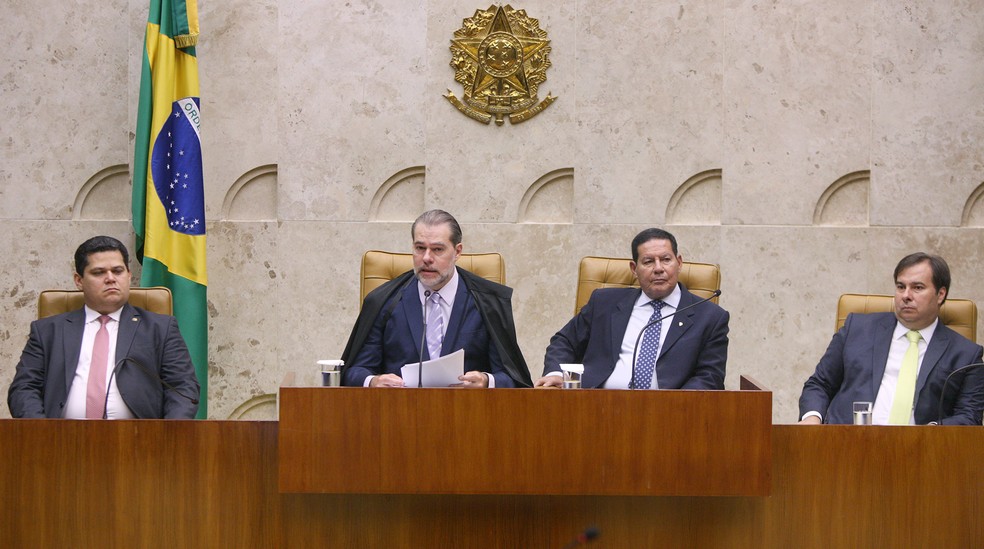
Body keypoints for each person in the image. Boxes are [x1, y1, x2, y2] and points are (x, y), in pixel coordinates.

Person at [7, 236, 199, 419]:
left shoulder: (160, 329)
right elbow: (24, 389)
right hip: (62, 438)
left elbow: (182, 387)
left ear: (129, 276)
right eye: (99, 272)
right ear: (79, 281)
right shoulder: (47, 331)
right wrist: (43, 434)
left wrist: (166, 435)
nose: (110, 278)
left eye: (118, 271)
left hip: (139, 438)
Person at [341, 210, 532, 388]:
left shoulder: (487, 301)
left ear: (457, 251)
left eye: (437, 249)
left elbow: (513, 378)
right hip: (401, 408)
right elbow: (354, 371)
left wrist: (486, 381)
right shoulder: (383, 300)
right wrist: (373, 381)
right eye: (420, 248)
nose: (426, 258)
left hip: (468, 409)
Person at [798, 253, 984, 425]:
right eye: (901, 287)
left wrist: (931, 433)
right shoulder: (857, 329)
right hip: (847, 441)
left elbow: (970, 416)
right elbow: (820, 384)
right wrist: (812, 419)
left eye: (917, 288)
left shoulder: (966, 355)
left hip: (919, 447)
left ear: (940, 294)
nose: (906, 296)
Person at [536, 228, 729, 389]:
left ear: (679, 263)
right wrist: (556, 374)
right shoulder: (604, 302)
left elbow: (709, 377)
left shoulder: (710, 317)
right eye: (648, 262)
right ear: (634, 269)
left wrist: (673, 406)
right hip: (596, 405)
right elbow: (565, 341)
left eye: (666, 259)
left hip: (667, 413)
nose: (658, 268)